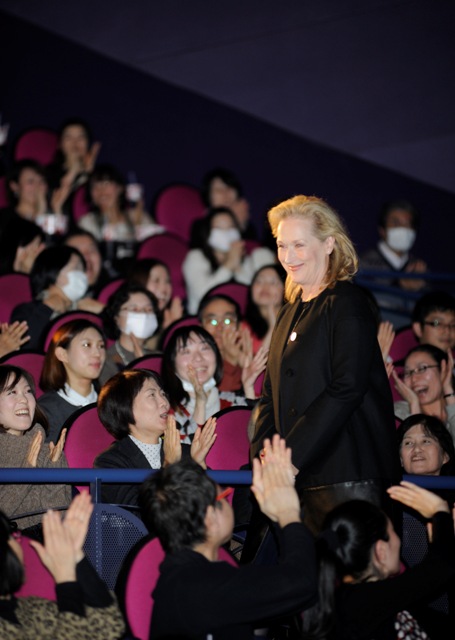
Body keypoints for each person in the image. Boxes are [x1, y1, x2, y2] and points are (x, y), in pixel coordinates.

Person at [250, 195, 401, 536]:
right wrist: (265, 457)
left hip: (346, 481)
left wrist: (290, 456)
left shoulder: (347, 303)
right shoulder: (289, 311)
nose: (288, 256)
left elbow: (347, 387)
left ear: (329, 243)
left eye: (299, 245)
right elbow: (270, 394)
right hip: (293, 481)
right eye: (282, 245)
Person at [140, 435, 318, 640]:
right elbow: (303, 584)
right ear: (209, 517)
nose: (228, 499)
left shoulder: (185, 576)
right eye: (224, 496)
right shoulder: (205, 587)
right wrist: (288, 514)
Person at [302, 481, 455, 640]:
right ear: (381, 550)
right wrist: (440, 511)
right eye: (393, 531)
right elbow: (439, 568)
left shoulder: (377, 598)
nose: (399, 540)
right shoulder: (356, 603)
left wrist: (443, 542)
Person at [0, 491, 125, 638]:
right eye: (13, 536)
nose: (20, 543)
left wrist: (75, 556)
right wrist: (65, 579)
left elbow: (110, 625)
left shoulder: (29, 608)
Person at [94, 369, 216, 507]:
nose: (164, 402)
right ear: (125, 407)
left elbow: (215, 507)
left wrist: (199, 466)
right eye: (152, 395)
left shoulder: (187, 452)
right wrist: (169, 466)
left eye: (163, 394)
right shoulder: (110, 463)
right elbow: (136, 514)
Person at [162, 325, 265, 444]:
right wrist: (200, 403)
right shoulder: (166, 412)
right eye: (186, 351)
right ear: (172, 363)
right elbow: (184, 452)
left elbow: (258, 439)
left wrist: (248, 387)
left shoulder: (231, 401)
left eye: (204, 348)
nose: (198, 358)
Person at [0, 365, 70, 536]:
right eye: (12, 392)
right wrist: (27, 472)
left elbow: (60, 519)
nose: (24, 399)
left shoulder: (48, 451)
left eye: (28, 391)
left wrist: (54, 471)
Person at [183, 206, 275, 314]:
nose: (226, 233)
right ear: (208, 233)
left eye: (231, 227)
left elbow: (252, 295)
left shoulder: (247, 259)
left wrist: (238, 267)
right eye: (219, 228)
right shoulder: (196, 257)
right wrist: (228, 265)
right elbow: (203, 295)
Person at [359, 199, 428, 327]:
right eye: (396, 223)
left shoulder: (419, 268)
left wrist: (422, 289)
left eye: (408, 224)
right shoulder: (363, 263)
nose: (404, 229)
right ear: (382, 230)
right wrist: (398, 285)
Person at [38, 319, 106, 444]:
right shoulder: (46, 410)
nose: (97, 353)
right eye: (87, 345)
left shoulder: (111, 403)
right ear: (62, 354)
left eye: (101, 346)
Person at [10, 245, 89, 350]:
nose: (83, 275)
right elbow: (25, 348)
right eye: (76, 268)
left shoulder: (84, 311)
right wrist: (46, 309)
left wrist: (103, 311)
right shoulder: (27, 311)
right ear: (54, 272)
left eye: (83, 269)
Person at [392, 344, 455, 444]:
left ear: (443, 368)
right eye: (407, 373)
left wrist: (449, 392)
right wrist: (415, 409)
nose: (414, 378)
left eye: (422, 368)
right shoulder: (398, 413)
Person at [100, 282, 160, 384]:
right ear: (116, 318)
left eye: (149, 309)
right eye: (134, 309)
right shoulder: (105, 360)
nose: (143, 313)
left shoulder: (159, 358)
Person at [198, 293, 259, 393]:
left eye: (227, 321)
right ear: (201, 327)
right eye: (212, 321)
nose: (220, 328)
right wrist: (230, 362)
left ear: (239, 327)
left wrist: (246, 365)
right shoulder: (195, 363)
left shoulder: (251, 359)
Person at [127, 258, 184, 348]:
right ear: (140, 283)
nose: (164, 288)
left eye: (167, 281)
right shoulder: (127, 316)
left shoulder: (168, 316)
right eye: (156, 281)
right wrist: (168, 331)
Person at [200, 166, 257, 239]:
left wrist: (241, 225)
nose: (226, 193)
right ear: (208, 196)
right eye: (219, 190)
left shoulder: (248, 227)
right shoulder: (202, 226)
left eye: (230, 188)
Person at [244, 263, 285, 352]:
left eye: (273, 282)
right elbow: (260, 359)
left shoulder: (295, 321)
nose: (265, 287)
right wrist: (273, 325)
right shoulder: (243, 328)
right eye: (259, 281)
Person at [64, 229, 114, 302]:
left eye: (91, 250)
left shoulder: (115, 291)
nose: (86, 257)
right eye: (77, 252)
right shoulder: (52, 297)